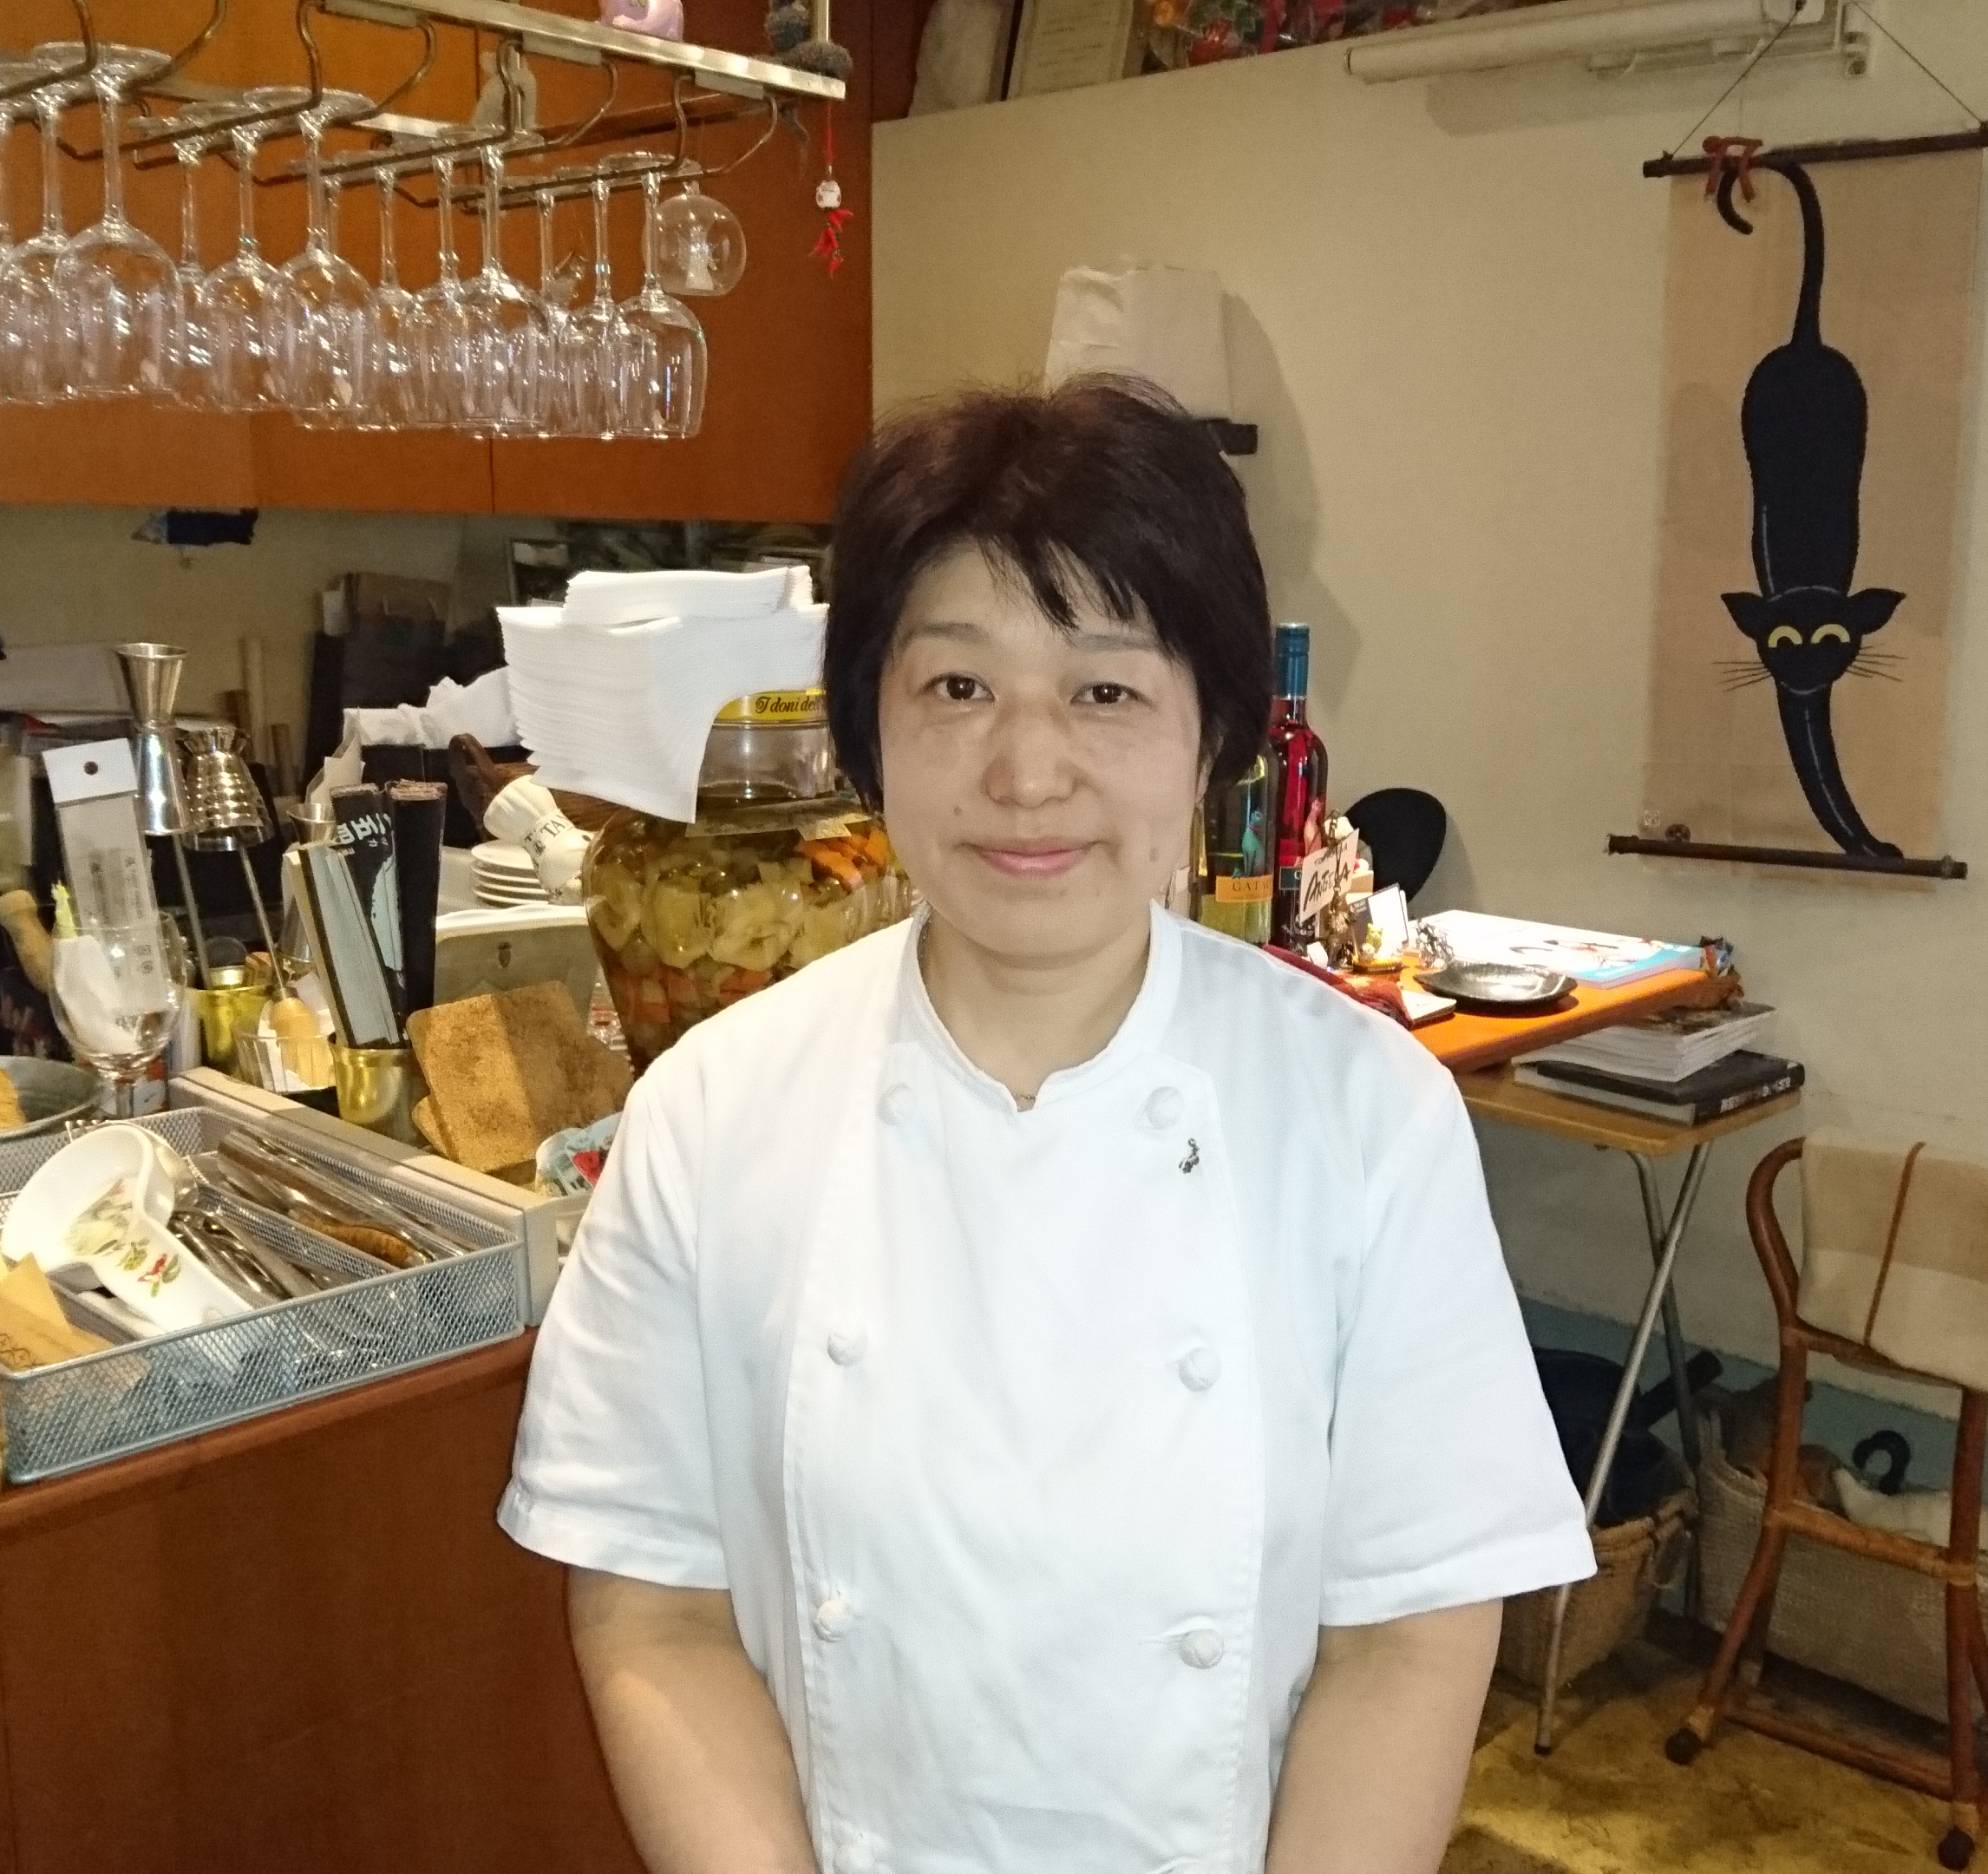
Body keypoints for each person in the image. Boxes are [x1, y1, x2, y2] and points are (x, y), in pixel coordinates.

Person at [503, 375, 1591, 1874]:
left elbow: (1408, 1636)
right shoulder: (711, 1110)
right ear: (867, 731)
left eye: (1106, 691)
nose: (1027, 772)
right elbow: (654, 1609)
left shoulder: (1364, 1112)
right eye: (957, 687)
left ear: (1212, 740)